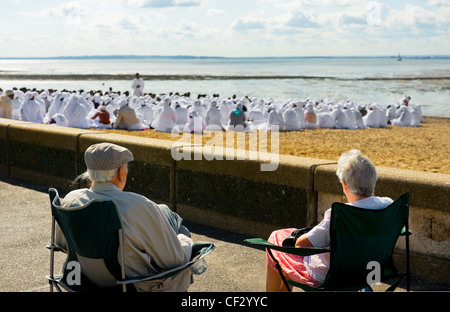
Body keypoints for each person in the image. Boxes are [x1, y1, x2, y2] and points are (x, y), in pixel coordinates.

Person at [55, 142, 195, 291]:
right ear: (121, 172)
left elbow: (61, 243)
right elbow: (174, 260)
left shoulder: (71, 200)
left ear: (89, 171)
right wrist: (185, 240)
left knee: (163, 210)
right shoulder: (137, 206)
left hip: (86, 282)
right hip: (132, 285)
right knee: (177, 226)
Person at [265, 149, 393, 291]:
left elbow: (302, 245)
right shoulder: (388, 206)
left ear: (345, 184)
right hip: (369, 270)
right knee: (285, 253)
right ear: (373, 180)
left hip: (332, 275)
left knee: (276, 240)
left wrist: (302, 238)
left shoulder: (340, 215)